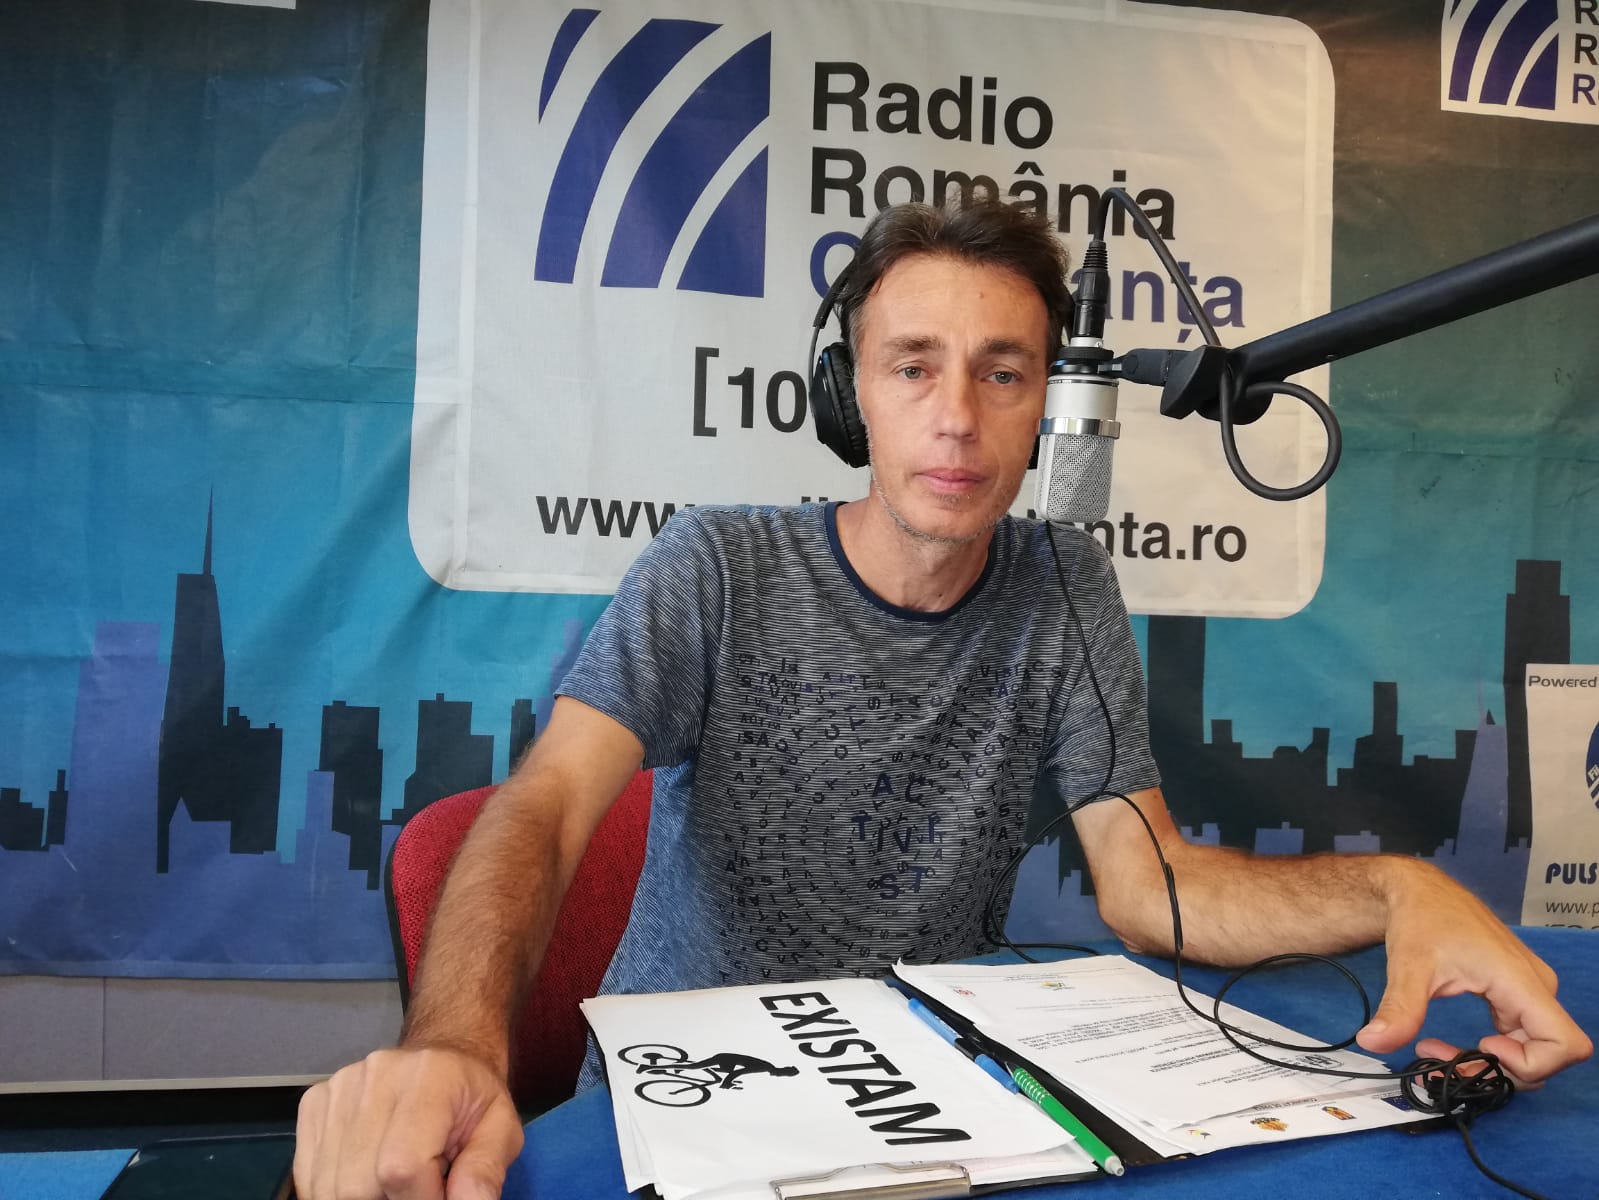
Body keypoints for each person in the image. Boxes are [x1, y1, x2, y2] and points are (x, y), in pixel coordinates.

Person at [292, 200, 1590, 1200]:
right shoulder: (717, 567)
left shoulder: (1065, 587)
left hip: (932, 1120)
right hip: (691, 1117)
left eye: (1003, 373)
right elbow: (544, 808)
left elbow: (1150, 888)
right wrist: (455, 1042)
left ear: (1049, 411)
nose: (957, 416)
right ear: (849, 393)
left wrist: (1397, 888)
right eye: (913, 366)